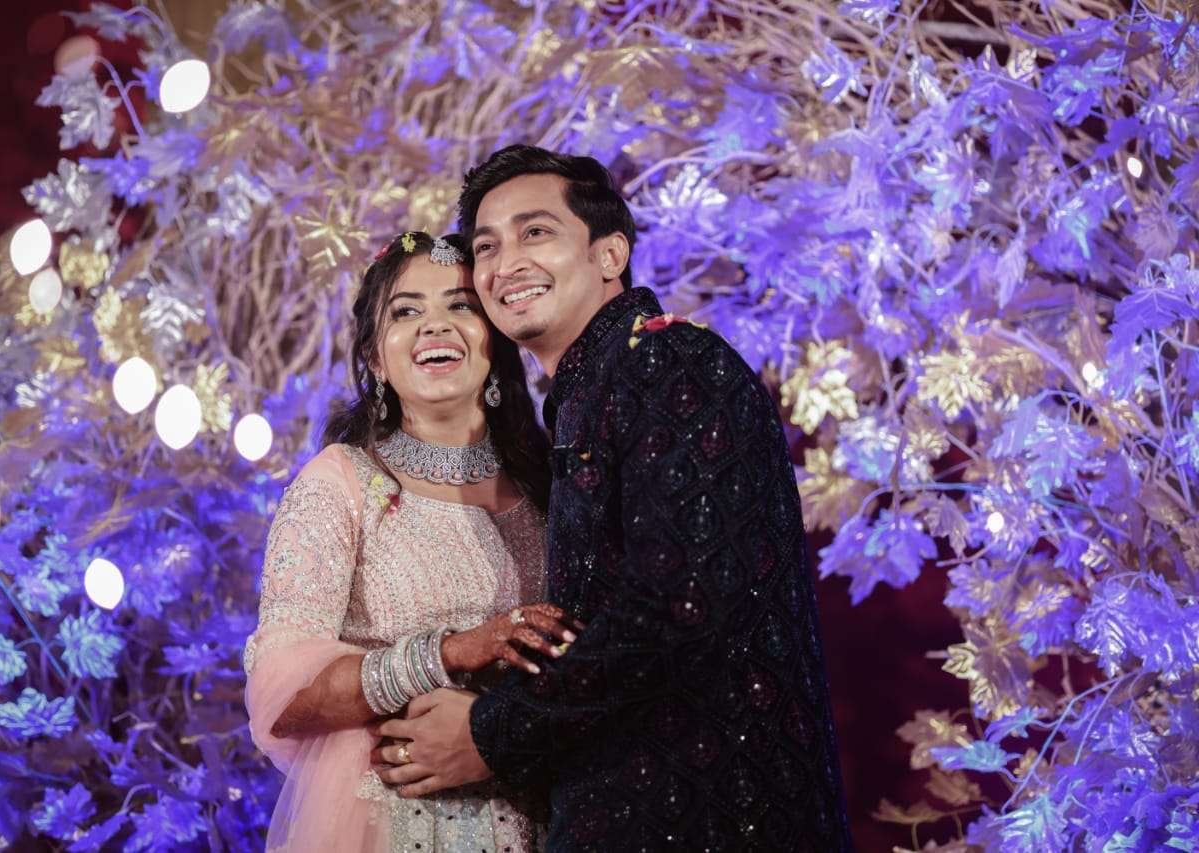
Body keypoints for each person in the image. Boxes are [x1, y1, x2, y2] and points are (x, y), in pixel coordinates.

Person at [374, 148, 854, 851]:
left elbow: (679, 604)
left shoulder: (668, 362)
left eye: (536, 232)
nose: (506, 263)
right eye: (487, 247)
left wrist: (491, 733)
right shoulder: (588, 398)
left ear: (610, 254)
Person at [243, 230, 579, 852]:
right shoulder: (341, 483)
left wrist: (496, 735)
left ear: (495, 339)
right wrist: (452, 652)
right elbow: (283, 700)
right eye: (405, 311)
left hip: (547, 816)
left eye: (460, 306)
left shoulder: (552, 486)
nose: (435, 325)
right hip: (392, 826)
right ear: (375, 358)